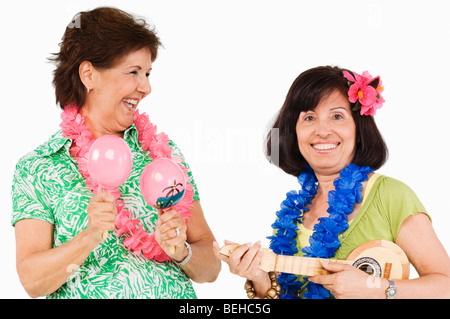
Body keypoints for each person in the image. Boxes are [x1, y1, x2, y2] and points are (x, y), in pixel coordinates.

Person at [11, 7, 220, 299]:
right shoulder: (39, 167)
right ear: (89, 75)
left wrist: (181, 250)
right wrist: (90, 236)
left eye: (147, 73)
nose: (146, 87)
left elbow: (211, 268)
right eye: (133, 72)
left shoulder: (163, 155)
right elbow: (33, 282)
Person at [214, 65, 450, 299]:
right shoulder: (295, 214)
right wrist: (261, 280)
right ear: (294, 132)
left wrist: (373, 287)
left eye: (337, 116)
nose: (322, 131)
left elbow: (446, 286)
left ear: (358, 127)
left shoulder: (391, 195)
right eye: (309, 117)